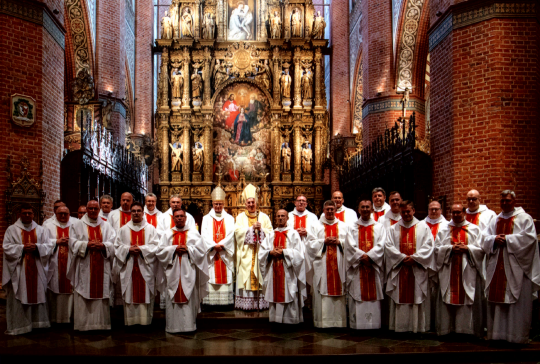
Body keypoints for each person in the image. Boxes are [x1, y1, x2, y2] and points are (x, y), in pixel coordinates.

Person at [483, 190, 540, 344]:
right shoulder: (495, 219)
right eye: (502, 201)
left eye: (507, 201)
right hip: (497, 266)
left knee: (516, 302)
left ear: (514, 201)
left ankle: (515, 336)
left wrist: (507, 239)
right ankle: (497, 335)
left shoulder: (524, 218)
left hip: (516, 267)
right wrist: (494, 239)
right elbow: (484, 238)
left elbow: (529, 240)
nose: (504, 203)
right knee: (497, 303)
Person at [434, 204, 485, 337]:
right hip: (448, 270)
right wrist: (450, 249)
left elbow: (481, 250)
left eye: (458, 212)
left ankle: (466, 331)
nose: (456, 215)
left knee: (466, 298)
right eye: (453, 212)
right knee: (447, 298)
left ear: (464, 212)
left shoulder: (474, 229)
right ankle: (448, 329)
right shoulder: (444, 229)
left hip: (467, 271)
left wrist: (467, 249)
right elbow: (436, 250)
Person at [2, 204, 53, 335]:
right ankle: (20, 326)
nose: (27, 215)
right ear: (19, 214)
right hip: (20, 269)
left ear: (33, 214)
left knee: (38, 294)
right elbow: (6, 248)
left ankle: (38, 324)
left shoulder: (41, 230)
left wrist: (37, 247)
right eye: (24, 213)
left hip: (37, 268)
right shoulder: (11, 230)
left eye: (29, 213)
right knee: (19, 296)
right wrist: (22, 248)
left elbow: (49, 247)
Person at [385, 200, 435, 333]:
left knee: (416, 296)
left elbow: (429, 246)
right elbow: (388, 247)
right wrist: (401, 258)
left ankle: (417, 328)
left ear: (413, 210)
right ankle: (400, 328)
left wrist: (414, 258)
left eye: (408, 211)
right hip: (400, 269)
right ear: (400, 212)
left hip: (417, 268)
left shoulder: (423, 227)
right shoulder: (393, 228)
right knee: (400, 297)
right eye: (403, 212)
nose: (406, 214)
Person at [157, 209, 209, 333]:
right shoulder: (167, 234)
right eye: (177, 216)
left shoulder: (193, 233)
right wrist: (174, 249)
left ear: (185, 218)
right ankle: (172, 327)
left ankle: (189, 326)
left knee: (189, 295)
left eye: (181, 216)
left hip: (188, 270)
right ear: (173, 219)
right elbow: (159, 252)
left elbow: (202, 251)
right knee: (173, 295)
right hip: (172, 271)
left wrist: (188, 249)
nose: (179, 218)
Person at [68, 200, 116, 331]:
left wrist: (103, 246)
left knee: (101, 295)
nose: (93, 211)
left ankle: (101, 325)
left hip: (102, 264)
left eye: (96, 209)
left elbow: (113, 243)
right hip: (84, 265)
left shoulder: (106, 226)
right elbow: (72, 243)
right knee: (84, 292)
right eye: (91, 209)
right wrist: (86, 245)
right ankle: (83, 325)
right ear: (87, 209)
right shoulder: (77, 225)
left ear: (99, 209)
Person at [114, 202, 159, 326]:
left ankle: (145, 322)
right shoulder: (123, 230)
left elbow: (156, 246)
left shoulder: (150, 229)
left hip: (145, 268)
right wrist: (128, 250)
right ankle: (131, 322)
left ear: (143, 213)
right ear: (130, 213)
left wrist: (141, 249)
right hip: (129, 267)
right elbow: (117, 247)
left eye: (139, 211)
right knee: (129, 294)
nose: (136, 213)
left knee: (145, 294)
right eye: (133, 211)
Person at [307, 200, 351, 328]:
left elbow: (350, 244)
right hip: (322, 265)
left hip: (339, 265)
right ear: (323, 210)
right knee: (322, 292)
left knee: (339, 292)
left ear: (336, 210)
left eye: (332, 209)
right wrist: (323, 241)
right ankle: (323, 324)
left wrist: (340, 242)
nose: (330, 211)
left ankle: (339, 323)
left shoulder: (343, 226)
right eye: (328, 209)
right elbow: (309, 244)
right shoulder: (315, 226)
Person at [259, 209, 306, 324]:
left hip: (288, 271)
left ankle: (289, 321)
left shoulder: (293, 234)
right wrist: (270, 253)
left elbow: (299, 254)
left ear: (287, 218)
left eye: (283, 216)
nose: (280, 218)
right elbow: (261, 252)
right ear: (275, 218)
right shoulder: (271, 234)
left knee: (289, 293)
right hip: (273, 269)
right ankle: (275, 320)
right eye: (278, 216)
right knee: (274, 293)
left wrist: (284, 252)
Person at [346, 199, 386, 330]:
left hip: (372, 267)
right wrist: (362, 257)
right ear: (358, 209)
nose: (365, 209)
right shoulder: (351, 227)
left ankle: (373, 325)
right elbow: (349, 246)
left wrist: (369, 257)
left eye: (367, 207)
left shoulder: (379, 227)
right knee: (357, 293)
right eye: (362, 207)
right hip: (358, 267)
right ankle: (358, 325)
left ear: (372, 209)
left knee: (373, 297)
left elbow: (382, 245)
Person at [234, 184, 273, 311]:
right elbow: (237, 233)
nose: (251, 204)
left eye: (253, 202)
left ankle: (260, 303)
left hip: (260, 254)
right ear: (245, 203)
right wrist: (251, 230)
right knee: (246, 277)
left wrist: (261, 230)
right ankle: (248, 304)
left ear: (257, 203)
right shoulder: (240, 217)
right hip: (246, 254)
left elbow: (271, 233)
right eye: (249, 202)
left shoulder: (264, 217)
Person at [44, 205, 80, 324]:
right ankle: (56, 318)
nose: (63, 216)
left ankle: (70, 317)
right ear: (56, 214)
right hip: (55, 262)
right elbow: (43, 243)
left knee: (71, 289)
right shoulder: (47, 225)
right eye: (61, 214)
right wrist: (56, 242)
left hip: (71, 262)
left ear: (69, 214)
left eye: (66, 213)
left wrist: (72, 242)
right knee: (55, 288)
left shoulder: (76, 224)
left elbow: (81, 241)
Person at [201, 186, 236, 307]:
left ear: (224, 203)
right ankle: (211, 303)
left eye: (220, 204)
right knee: (211, 275)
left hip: (224, 253)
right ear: (212, 203)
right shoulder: (206, 219)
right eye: (216, 204)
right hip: (212, 253)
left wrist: (222, 245)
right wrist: (213, 246)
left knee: (225, 276)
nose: (218, 206)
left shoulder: (230, 219)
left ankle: (225, 303)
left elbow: (232, 235)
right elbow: (204, 235)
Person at [287, 195, 318, 283]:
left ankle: (307, 294)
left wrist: (307, 232)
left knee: (307, 274)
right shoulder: (288, 216)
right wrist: (295, 233)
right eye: (299, 200)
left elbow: (317, 233)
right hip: (293, 248)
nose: (301, 202)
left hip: (307, 249)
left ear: (306, 204)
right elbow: (285, 231)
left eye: (303, 201)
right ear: (295, 203)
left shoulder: (313, 217)